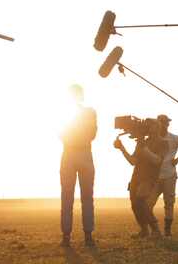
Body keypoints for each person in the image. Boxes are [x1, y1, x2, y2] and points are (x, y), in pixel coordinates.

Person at [114, 118, 167, 238]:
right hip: (136, 177)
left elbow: (157, 160)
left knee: (141, 200)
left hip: (149, 178)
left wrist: (144, 147)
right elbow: (133, 161)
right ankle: (144, 230)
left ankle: (156, 230)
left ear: (158, 127)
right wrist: (121, 148)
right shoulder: (142, 142)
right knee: (134, 205)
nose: (147, 127)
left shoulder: (163, 143)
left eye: (151, 124)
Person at [59, 84, 97, 247]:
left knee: (73, 197)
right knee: (80, 197)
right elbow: (91, 134)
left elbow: (62, 134)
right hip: (80, 154)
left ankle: (76, 235)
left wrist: (73, 138)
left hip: (74, 154)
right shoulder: (88, 112)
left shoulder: (87, 112)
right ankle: (78, 235)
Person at [149, 114, 178, 236]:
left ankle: (167, 230)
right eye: (161, 122)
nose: (164, 124)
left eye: (166, 122)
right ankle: (154, 228)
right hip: (154, 176)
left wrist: (177, 159)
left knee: (169, 203)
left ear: (168, 124)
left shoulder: (174, 138)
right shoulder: (151, 138)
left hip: (169, 175)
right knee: (148, 203)